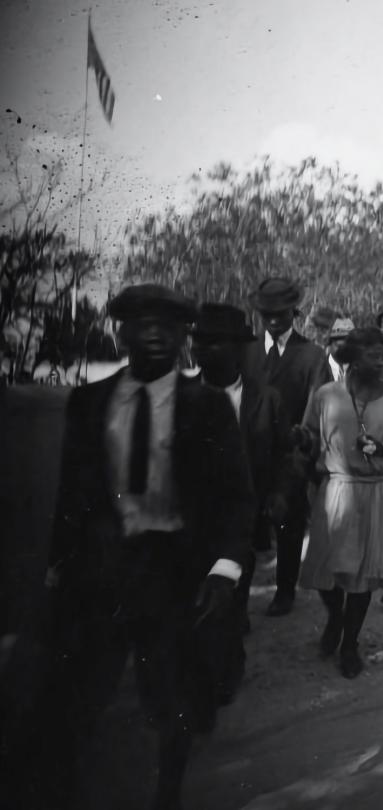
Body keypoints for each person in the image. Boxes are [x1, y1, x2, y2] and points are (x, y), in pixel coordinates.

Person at [44, 284, 253, 810]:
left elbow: (235, 496)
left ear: (185, 336)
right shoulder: (90, 402)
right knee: (81, 694)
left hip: (175, 573)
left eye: (168, 325)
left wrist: (224, 570)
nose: (155, 334)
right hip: (103, 569)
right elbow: (72, 493)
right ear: (123, 331)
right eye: (142, 324)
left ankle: (168, 794)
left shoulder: (206, 408)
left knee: (173, 695)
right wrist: (59, 566)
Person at [292, 327, 383, 678]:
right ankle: (335, 618)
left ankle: (350, 643)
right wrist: (302, 444)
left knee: (362, 577)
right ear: (353, 360)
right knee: (328, 570)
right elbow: (310, 435)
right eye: (375, 355)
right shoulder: (326, 395)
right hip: (336, 491)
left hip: (377, 492)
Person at [191, 303, 292, 638]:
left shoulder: (266, 398)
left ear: (238, 349)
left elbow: (283, 452)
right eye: (199, 342)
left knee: (236, 582)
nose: (202, 350)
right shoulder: (180, 397)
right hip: (192, 516)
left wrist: (278, 492)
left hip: (244, 512)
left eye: (214, 342)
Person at [246, 277, 332, 617]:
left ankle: (285, 591)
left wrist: (301, 457)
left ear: (293, 313)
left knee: (290, 526)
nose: (273, 320)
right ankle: (240, 601)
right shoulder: (248, 352)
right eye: (266, 313)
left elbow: (317, 411)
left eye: (280, 313)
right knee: (246, 529)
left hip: (292, 455)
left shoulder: (311, 356)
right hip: (250, 455)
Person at [325, 316, 355, 382]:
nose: (344, 349)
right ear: (329, 344)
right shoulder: (321, 368)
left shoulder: (360, 369)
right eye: (339, 346)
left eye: (348, 345)